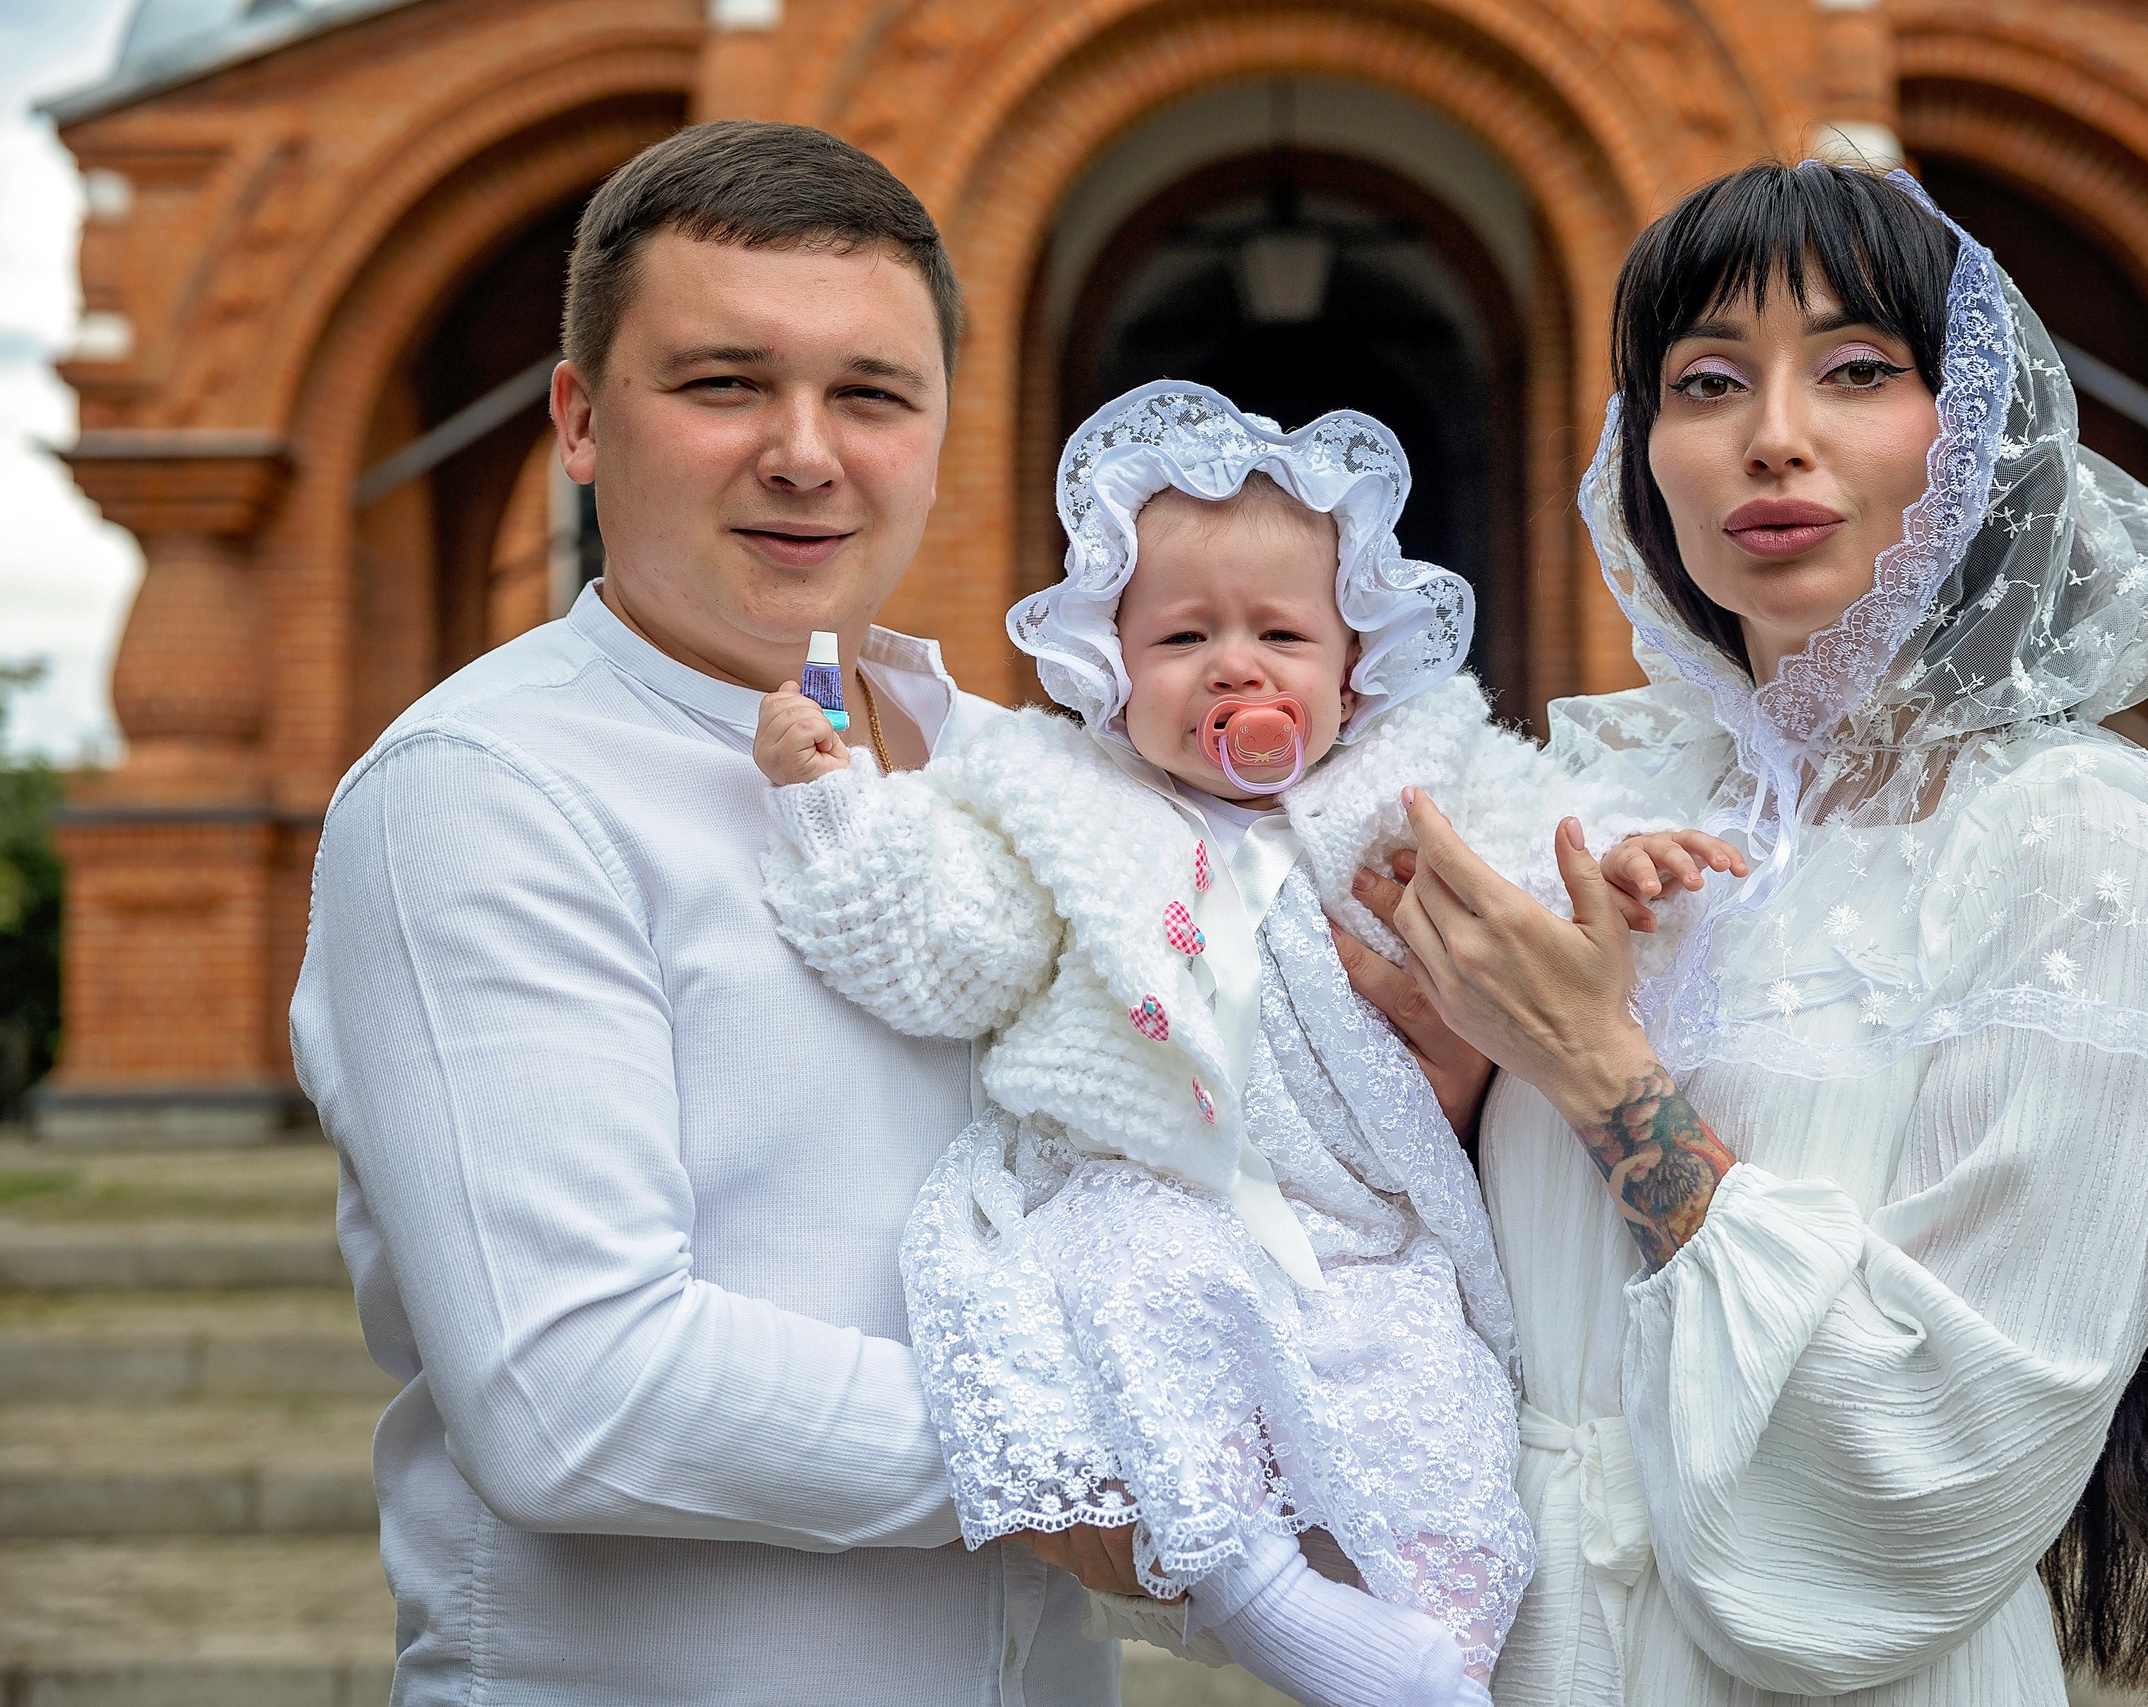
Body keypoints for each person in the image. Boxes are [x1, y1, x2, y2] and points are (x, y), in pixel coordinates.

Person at [1333, 161, 2148, 1706]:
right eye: (1705, 381)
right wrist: (1448, 1071)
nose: (1771, 435)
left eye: (1858, 371)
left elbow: (1956, 1439)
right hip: (1519, 1650)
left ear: (1974, 429)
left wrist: (1600, 1076)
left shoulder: (2073, 839)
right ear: (1643, 453)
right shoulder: (1592, 798)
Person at [289, 121, 1119, 1704]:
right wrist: (1113, 1453)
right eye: (725, 383)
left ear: (946, 426)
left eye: (871, 393)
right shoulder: (485, 789)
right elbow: (576, 1389)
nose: (805, 451)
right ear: (582, 421)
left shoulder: (1029, 779)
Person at [752, 382, 1742, 1707]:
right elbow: (947, 953)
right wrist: (834, 811)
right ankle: (1255, 1589)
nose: (1236, 666)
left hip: (1365, 1221)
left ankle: (1444, 1654)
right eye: (1181, 636)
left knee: (1433, 1407)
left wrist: (1617, 858)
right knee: (1137, 1291)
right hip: (1154, 1183)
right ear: (1109, 666)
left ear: (1354, 667)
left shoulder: (1414, 778)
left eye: (1281, 631)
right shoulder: (1061, 803)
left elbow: (1537, 834)